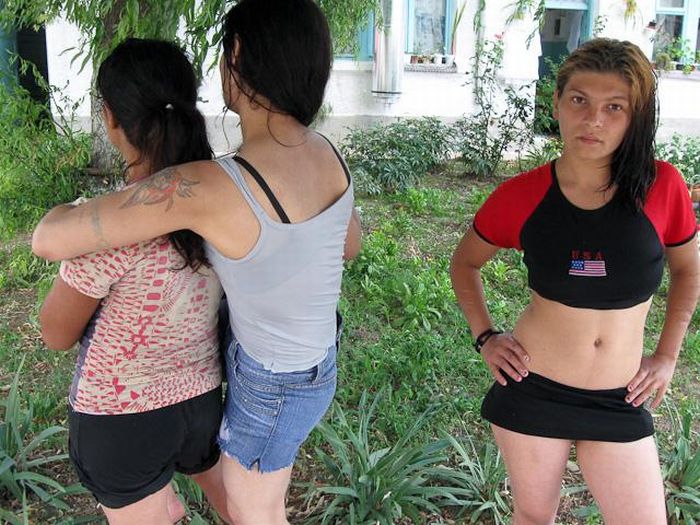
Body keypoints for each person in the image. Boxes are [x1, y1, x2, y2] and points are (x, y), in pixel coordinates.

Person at [32, 1, 361, 523]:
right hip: (317, 367)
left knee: (255, 512)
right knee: (255, 501)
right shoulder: (327, 154)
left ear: (238, 56)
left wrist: (66, 209)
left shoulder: (211, 187)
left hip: (269, 385)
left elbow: (50, 240)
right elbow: (348, 243)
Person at [450, 38, 699, 525]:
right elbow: (464, 264)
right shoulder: (521, 195)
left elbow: (688, 269)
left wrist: (668, 356)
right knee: (533, 516)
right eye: (580, 100)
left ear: (635, 116)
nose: (594, 120)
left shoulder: (662, 186)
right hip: (534, 386)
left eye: (614, 107)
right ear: (557, 103)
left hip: (621, 396)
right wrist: (486, 337)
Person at [38, 39, 232, 524]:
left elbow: (55, 333)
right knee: (249, 509)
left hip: (120, 424)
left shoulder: (105, 231)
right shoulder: (226, 206)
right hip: (202, 404)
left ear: (110, 117)